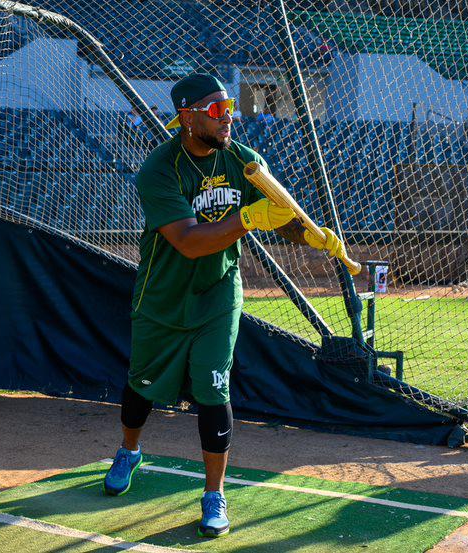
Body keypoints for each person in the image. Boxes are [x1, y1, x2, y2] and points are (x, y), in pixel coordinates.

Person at [102, 73, 346, 537]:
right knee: (143, 387)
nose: (227, 117)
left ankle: (213, 494)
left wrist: (310, 234)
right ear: (186, 118)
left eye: (229, 106)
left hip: (219, 293)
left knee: (215, 388)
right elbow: (191, 243)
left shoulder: (244, 160)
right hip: (164, 298)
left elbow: (279, 212)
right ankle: (130, 449)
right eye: (215, 111)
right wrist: (251, 217)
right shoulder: (159, 170)